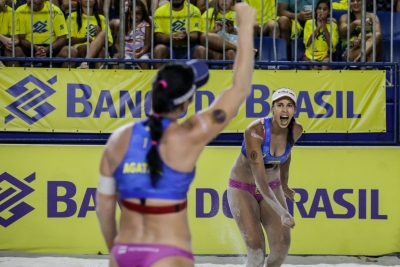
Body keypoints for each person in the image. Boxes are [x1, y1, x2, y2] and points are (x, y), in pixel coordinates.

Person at [95, 3, 256, 267]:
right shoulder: (189, 135)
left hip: (125, 251)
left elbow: (103, 207)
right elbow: (239, 89)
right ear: (186, 103)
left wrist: (117, 250)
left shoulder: (118, 138)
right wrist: (246, 28)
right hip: (168, 252)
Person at [227, 88, 303, 267]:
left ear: (295, 110)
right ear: (272, 108)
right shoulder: (255, 131)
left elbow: (286, 154)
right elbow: (260, 179)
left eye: (289, 106)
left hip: (273, 185)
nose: (285, 110)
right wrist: (283, 212)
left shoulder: (296, 130)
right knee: (257, 254)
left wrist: (284, 184)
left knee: (282, 248)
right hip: (243, 188)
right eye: (280, 105)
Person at [16, 0, 79, 67]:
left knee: (72, 52)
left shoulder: (55, 10)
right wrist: (35, 47)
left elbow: (62, 38)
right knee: (11, 52)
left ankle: (61, 77)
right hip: (28, 47)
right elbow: (21, 38)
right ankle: (17, 77)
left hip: (52, 47)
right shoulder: (20, 11)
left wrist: (47, 49)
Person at [153, 0, 206, 69]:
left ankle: (200, 78)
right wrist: (172, 37)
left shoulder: (194, 10)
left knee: (201, 50)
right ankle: (160, 78)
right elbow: (158, 36)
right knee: (158, 49)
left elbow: (195, 35)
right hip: (169, 47)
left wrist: (186, 36)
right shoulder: (159, 11)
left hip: (189, 48)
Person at [68, 0, 113, 69]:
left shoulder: (101, 18)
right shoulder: (72, 17)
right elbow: (69, 40)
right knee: (97, 49)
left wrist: (99, 34)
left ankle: (85, 63)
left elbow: (108, 43)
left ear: (95, 1)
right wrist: (86, 39)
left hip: (100, 49)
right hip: (80, 49)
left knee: (103, 35)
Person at [112, 0, 151, 69]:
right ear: (129, 12)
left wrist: (140, 54)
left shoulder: (146, 25)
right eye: (133, 12)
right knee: (116, 63)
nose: (135, 15)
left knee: (144, 61)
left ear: (143, 13)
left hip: (141, 52)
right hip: (125, 52)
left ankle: (145, 80)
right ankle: (115, 79)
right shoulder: (124, 25)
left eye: (138, 13)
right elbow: (117, 44)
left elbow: (147, 44)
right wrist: (120, 52)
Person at [200, 0, 238, 69]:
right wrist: (215, 30)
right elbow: (202, 36)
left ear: (232, 2)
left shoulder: (238, 14)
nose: (224, 1)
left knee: (230, 52)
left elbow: (247, 36)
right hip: (214, 50)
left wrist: (233, 31)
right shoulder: (209, 13)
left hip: (232, 49)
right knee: (205, 37)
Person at [303, 0, 339, 69]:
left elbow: (332, 47)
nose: (321, 11)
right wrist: (318, 28)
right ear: (316, 11)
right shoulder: (309, 23)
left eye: (325, 9)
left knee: (325, 64)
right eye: (319, 8)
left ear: (329, 12)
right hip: (310, 54)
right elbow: (307, 43)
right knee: (314, 65)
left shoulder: (333, 26)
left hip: (325, 54)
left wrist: (324, 27)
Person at [0, 0, 24, 67]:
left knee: (11, 52)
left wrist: (10, 43)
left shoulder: (11, 13)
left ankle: (15, 76)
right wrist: (2, 38)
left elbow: (15, 40)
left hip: (2, 48)